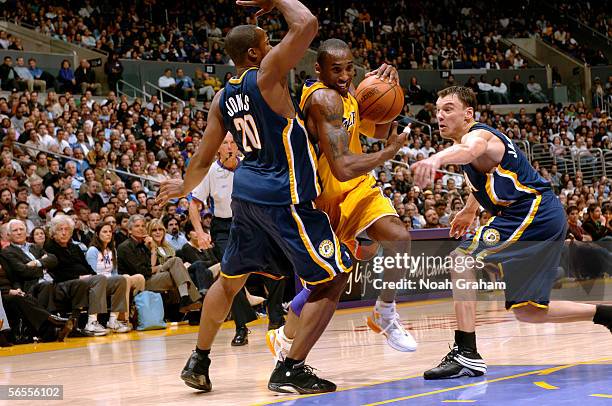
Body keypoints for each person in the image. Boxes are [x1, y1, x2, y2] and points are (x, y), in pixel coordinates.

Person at [157, 0, 350, 394]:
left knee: (229, 281)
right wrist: (278, 0)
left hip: (247, 196)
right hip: (285, 195)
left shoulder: (221, 98)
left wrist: (184, 186)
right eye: (268, 41)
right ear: (254, 53)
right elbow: (308, 23)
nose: (275, 44)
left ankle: (199, 359)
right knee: (333, 278)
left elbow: (203, 155)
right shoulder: (266, 75)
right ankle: (291, 369)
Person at [410, 86, 612, 380]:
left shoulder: (479, 136)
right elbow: (480, 172)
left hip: (533, 211)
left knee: (461, 259)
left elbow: (469, 151)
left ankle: (466, 353)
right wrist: (470, 209)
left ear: (468, 114)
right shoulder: (473, 148)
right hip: (541, 215)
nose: (440, 115)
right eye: (438, 110)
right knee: (528, 311)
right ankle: (607, 315)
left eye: (448, 109)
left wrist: (435, 160)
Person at [266, 39, 412, 362]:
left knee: (400, 238)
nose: (346, 75)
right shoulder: (320, 99)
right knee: (327, 282)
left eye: (349, 68)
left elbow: (377, 129)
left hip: (357, 190)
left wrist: (392, 93)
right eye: (337, 69)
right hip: (319, 201)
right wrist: (387, 153)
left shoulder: (348, 95)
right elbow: (342, 168)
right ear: (319, 69)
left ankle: (384, 312)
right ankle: (286, 337)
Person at [189, 132, 286, 345]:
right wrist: (200, 232)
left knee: (280, 267)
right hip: (225, 227)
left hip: (254, 221)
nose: (230, 146)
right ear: (218, 148)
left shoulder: (250, 166)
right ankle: (241, 326)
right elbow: (193, 205)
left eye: (233, 142)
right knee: (230, 275)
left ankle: (275, 316)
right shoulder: (210, 172)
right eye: (225, 143)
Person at [86, 221, 144, 331]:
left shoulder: (112, 250)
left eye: (110, 232)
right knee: (123, 278)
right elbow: (92, 273)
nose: (108, 234)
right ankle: (122, 318)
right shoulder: (92, 251)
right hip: (98, 283)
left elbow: (114, 272)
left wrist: (116, 280)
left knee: (138, 278)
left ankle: (122, 317)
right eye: (104, 232)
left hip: (111, 281)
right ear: (97, 234)